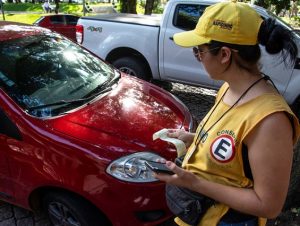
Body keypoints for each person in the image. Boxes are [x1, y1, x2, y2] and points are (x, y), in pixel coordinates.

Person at [154, 0, 300, 226]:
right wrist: (193, 138)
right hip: (197, 215)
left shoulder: (271, 121)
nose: (198, 57)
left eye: (199, 51)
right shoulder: (227, 89)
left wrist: (194, 183)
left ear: (224, 54)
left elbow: (268, 205)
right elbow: (237, 150)